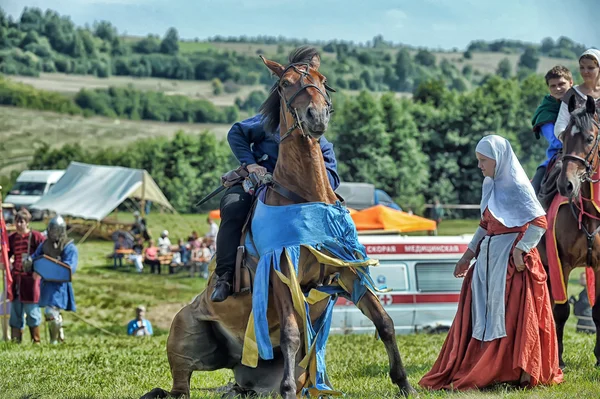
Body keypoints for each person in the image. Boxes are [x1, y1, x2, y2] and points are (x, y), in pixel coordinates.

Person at [419, 135, 562, 390]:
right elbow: (485, 224)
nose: (479, 166)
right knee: (480, 313)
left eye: (483, 161)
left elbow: (539, 222)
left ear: (499, 160)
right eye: (478, 160)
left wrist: (521, 250)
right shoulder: (489, 184)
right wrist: (467, 256)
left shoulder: (517, 186)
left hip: (510, 263)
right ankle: (480, 366)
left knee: (511, 316)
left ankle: (511, 370)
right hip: (487, 260)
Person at [211, 46, 341, 302]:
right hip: (263, 186)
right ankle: (224, 276)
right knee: (233, 206)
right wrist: (250, 165)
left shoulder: (322, 144)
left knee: (341, 217)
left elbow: (334, 180)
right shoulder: (271, 122)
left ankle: (346, 268)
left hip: (306, 199)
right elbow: (236, 132)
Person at [30, 215, 78, 344]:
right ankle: (59, 335)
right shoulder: (45, 244)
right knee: (52, 312)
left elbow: (69, 268)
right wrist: (29, 261)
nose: (53, 233)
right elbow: (35, 257)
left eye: (56, 230)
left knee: (50, 312)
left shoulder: (69, 247)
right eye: (52, 229)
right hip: (47, 284)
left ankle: (53, 342)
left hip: (59, 286)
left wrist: (57, 265)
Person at [530, 66, 573, 194]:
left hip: (588, 154)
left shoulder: (583, 102)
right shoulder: (546, 111)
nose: (557, 88)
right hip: (559, 156)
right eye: (553, 86)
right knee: (532, 194)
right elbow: (555, 141)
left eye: (561, 84)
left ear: (571, 83)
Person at [7, 209, 45, 343]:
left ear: (27, 222)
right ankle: (16, 342)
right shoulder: (11, 238)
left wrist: (39, 271)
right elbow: (7, 255)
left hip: (31, 280)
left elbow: (45, 254)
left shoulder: (36, 237)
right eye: (16, 221)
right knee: (16, 312)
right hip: (16, 280)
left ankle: (36, 341)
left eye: (21, 221)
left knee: (32, 312)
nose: (18, 224)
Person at [555, 49, 600, 138]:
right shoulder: (572, 94)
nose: (585, 71)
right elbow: (561, 123)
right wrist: (566, 139)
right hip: (576, 146)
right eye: (582, 67)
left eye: (590, 68)